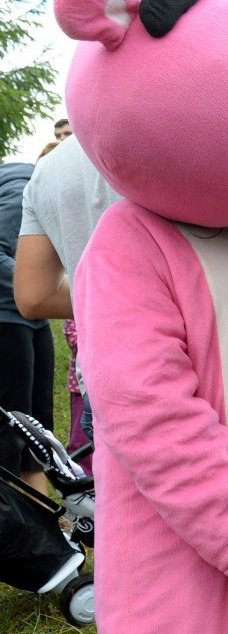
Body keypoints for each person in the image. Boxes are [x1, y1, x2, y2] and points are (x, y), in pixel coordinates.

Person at [15, 134, 123, 459]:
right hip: (219, 377)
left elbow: (35, 295)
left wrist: (108, 299)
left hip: (103, 382)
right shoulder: (201, 125)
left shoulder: (50, 167)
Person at [0, 160, 54, 492]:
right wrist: (43, 286)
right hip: (6, 318)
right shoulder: (23, 181)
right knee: (9, 434)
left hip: (35, 321)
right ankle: (13, 531)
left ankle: (43, 525)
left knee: (38, 433)